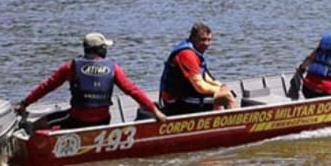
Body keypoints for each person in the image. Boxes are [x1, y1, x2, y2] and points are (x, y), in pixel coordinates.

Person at [15, 32, 167, 129]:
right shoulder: (113, 68)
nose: (106, 50)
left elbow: (46, 86)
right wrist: (155, 111)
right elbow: (133, 90)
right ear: (100, 49)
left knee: (37, 125)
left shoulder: (71, 67)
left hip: (77, 119)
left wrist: (24, 103)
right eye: (104, 47)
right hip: (103, 120)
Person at [158, 22, 238, 115]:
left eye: (209, 40)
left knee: (223, 94)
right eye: (202, 40)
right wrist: (221, 91)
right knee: (226, 97)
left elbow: (206, 77)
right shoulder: (187, 54)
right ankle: (237, 125)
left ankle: (216, 125)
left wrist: (222, 86)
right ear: (193, 38)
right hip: (177, 102)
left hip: (188, 94)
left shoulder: (195, 52)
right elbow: (200, 87)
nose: (206, 44)